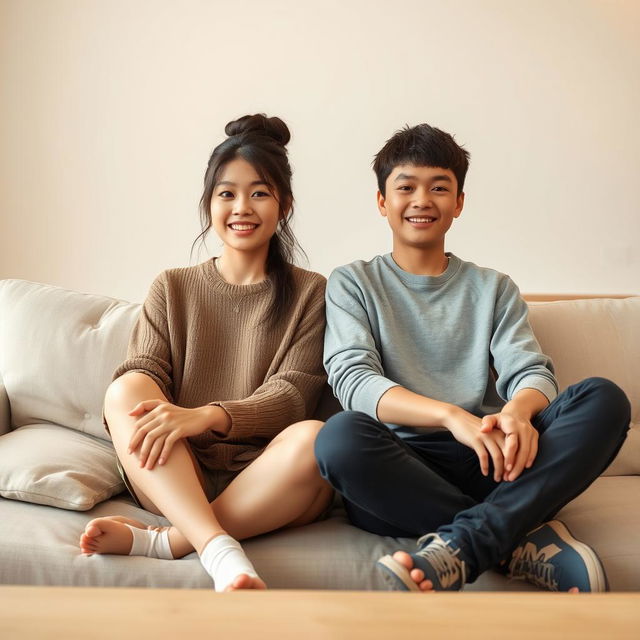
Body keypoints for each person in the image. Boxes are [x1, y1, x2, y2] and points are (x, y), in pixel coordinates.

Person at [315, 123, 631, 592]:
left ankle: (466, 541)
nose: (422, 200)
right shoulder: (352, 283)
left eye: (439, 188)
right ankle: (506, 538)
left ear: (459, 203)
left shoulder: (493, 287)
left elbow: (530, 371)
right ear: (382, 201)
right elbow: (354, 381)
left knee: (604, 398)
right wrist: (448, 417)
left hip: (494, 462)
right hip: (403, 467)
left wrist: (519, 415)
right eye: (406, 187)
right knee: (339, 438)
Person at [79, 114, 333, 592]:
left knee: (317, 436)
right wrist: (181, 423)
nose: (242, 207)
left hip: (273, 479)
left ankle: (171, 542)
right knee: (126, 387)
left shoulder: (311, 293)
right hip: (176, 476)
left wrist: (206, 416)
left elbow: (292, 395)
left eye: (259, 192)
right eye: (226, 193)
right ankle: (218, 548)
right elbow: (143, 374)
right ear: (208, 203)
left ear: (285, 204)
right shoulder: (172, 287)